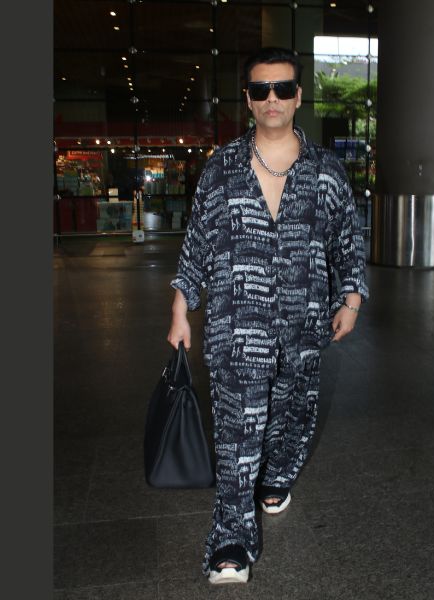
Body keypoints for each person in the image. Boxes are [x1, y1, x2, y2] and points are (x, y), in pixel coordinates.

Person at [166, 46, 369, 585]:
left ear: (298, 96)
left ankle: (277, 475)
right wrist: (181, 309)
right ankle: (231, 540)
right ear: (249, 99)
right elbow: (197, 245)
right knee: (238, 434)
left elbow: (348, 243)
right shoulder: (222, 167)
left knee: (292, 416)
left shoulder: (326, 170)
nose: (272, 99)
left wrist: (351, 300)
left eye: (282, 88)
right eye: (261, 90)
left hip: (305, 324)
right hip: (237, 328)